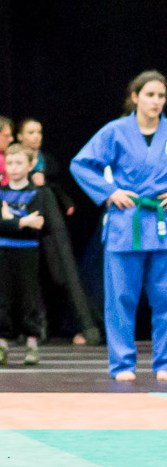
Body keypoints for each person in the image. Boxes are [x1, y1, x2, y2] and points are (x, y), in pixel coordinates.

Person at [70, 70, 167, 382]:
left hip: (162, 222)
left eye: (161, 95)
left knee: (165, 297)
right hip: (127, 222)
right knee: (121, 298)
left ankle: (164, 362)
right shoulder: (115, 131)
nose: (156, 101)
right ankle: (122, 364)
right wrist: (109, 191)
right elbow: (81, 164)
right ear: (135, 97)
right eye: (150, 95)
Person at [16, 117, 101, 345]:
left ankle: (87, 325)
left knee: (62, 270)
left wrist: (64, 200)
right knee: (26, 271)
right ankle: (32, 328)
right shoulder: (14, 158)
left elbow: (56, 186)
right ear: (19, 136)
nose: (36, 137)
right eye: (31, 132)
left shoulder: (48, 162)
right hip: (22, 216)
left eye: (39, 132)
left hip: (50, 216)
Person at [0, 143, 62, 366]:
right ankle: (2, 344)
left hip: (28, 250)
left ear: (30, 165)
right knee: (2, 297)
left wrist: (11, 219)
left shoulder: (37, 192)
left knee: (29, 297)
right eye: (10, 163)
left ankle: (31, 342)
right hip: (2, 250)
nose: (14, 167)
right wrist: (22, 221)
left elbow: (38, 223)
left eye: (19, 162)